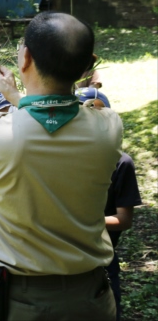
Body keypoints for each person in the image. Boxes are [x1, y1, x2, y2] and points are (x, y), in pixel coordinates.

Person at [0, 11, 122, 320]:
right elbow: (61, 116)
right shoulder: (109, 128)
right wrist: (16, 98)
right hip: (92, 299)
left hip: (18, 303)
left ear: (25, 59)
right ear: (89, 64)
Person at [76, 87, 143, 321]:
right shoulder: (64, 157)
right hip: (65, 255)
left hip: (102, 256)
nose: (91, 116)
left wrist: (79, 223)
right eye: (83, 111)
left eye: (99, 110)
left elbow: (124, 219)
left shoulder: (121, 162)